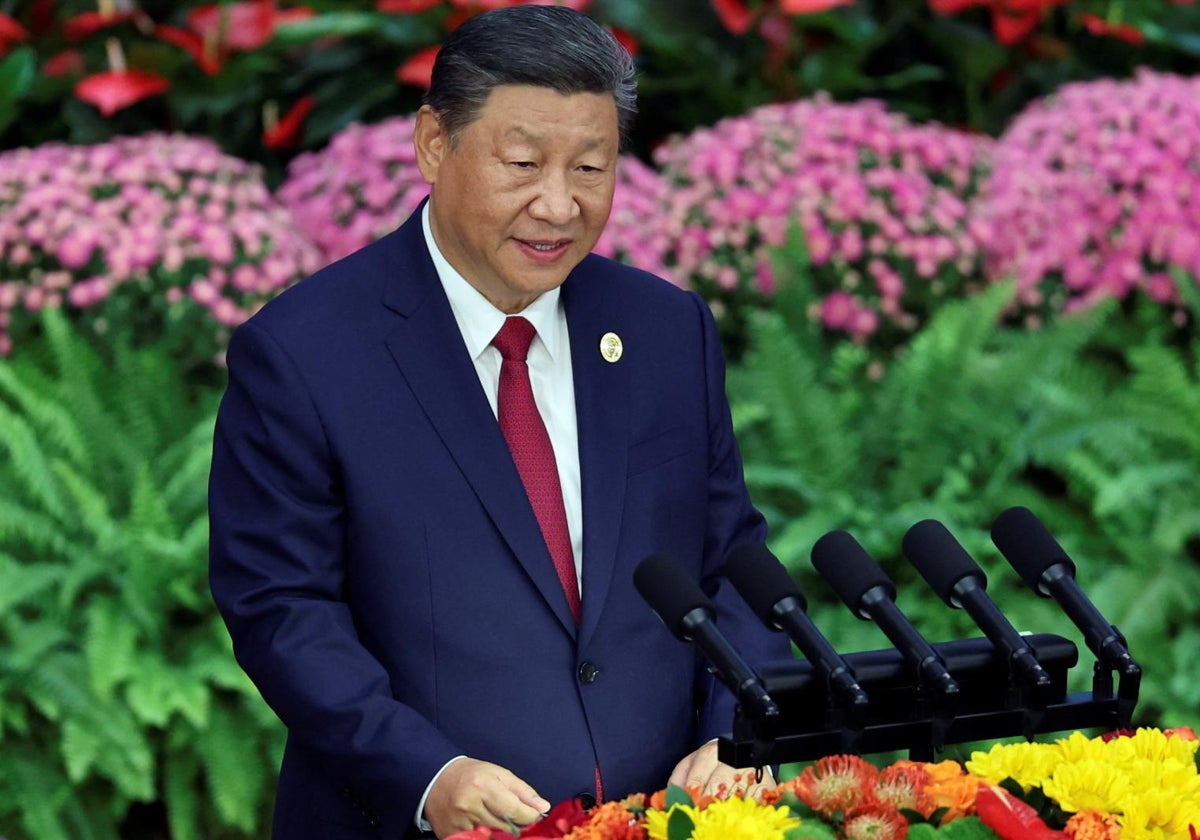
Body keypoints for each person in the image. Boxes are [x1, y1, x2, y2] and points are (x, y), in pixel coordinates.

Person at [207, 6, 792, 838]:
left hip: (663, 819)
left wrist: (739, 728)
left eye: (591, 167)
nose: (558, 205)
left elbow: (733, 565)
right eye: (522, 163)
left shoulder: (667, 331)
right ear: (434, 145)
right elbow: (281, 611)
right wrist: (427, 774)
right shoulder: (303, 354)